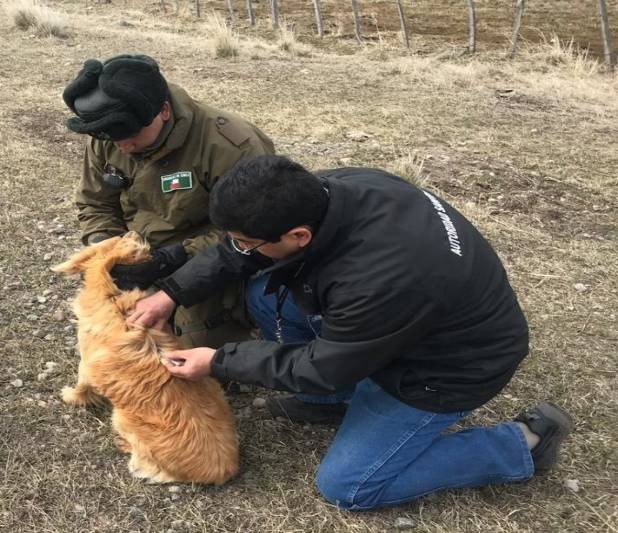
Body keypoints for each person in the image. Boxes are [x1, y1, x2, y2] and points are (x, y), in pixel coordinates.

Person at [127, 155, 573, 510]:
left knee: (350, 486)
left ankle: (521, 445)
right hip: (400, 325)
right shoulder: (332, 190)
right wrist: (172, 292)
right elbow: (241, 251)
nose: (240, 248)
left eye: (246, 242)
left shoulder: (384, 278)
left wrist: (219, 359)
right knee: (266, 294)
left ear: (300, 235)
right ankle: (332, 404)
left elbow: (325, 366)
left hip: (450, 367)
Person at [62, 54, 275, 349]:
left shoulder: (230, 145)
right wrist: (110, 248)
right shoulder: (109, 133)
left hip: (210, 259)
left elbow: (256, 234)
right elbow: (95, 202)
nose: (123, 145)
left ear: (163, 111)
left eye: (131, 135)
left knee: (190, 358)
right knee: (120, 347)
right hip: (141, 252)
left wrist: (174, 258)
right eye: (113, 138)